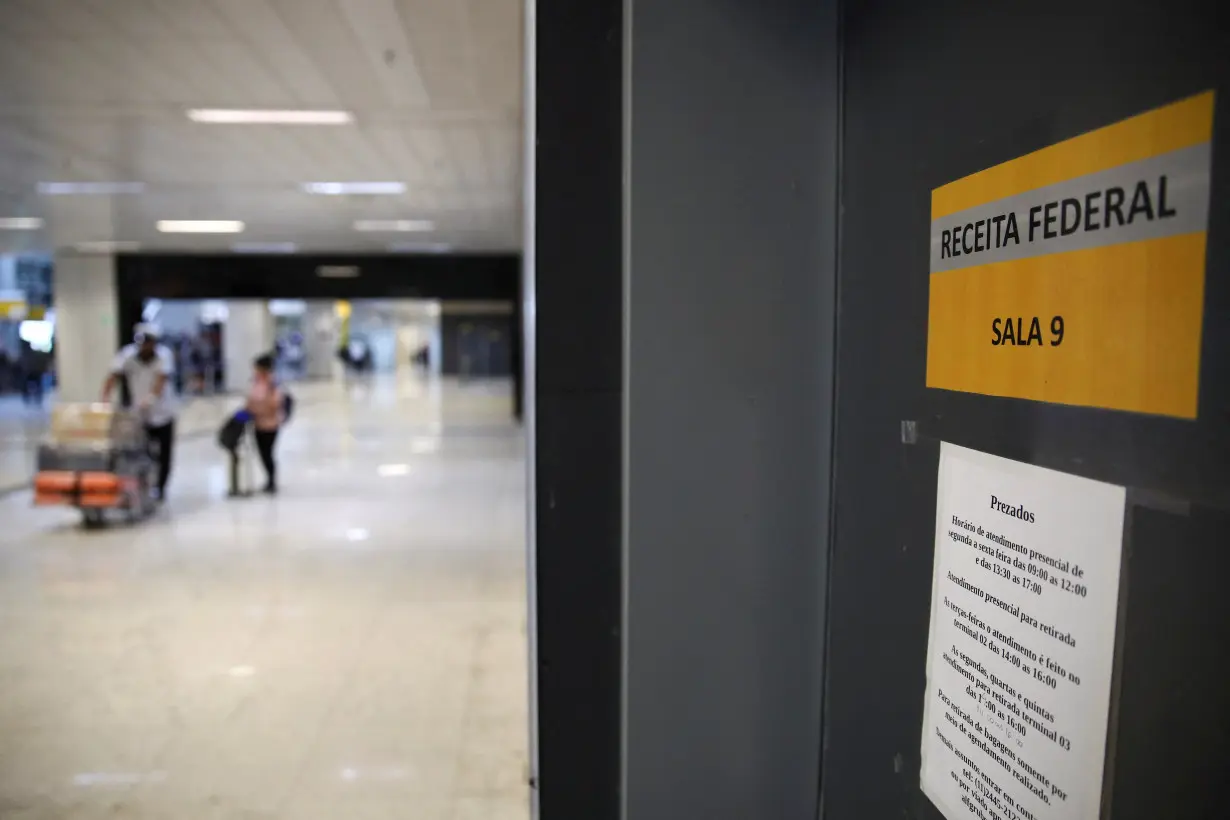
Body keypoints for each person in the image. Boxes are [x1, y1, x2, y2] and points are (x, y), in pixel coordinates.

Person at [102, 324, 178, 501]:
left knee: (164, 454)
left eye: (149, 343)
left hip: (163, 412)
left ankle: (161, 487)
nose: (145, 347)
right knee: (140, 452)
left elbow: (161, 380)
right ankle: (143, 486)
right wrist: (104, 400)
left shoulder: (163, 356)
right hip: (140, 416)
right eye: (142, 343)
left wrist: (151, 399)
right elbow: (113, 376)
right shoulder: (127, 355)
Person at [244, 353, 283, 494]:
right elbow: (250, 399)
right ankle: (268, 479)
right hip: (257, 423)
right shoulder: (255, 382)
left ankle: (272, 480)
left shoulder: (273, 383)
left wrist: (259, 409)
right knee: (261, 453)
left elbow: (275, 403)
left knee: (268, 453)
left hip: (271, 424)